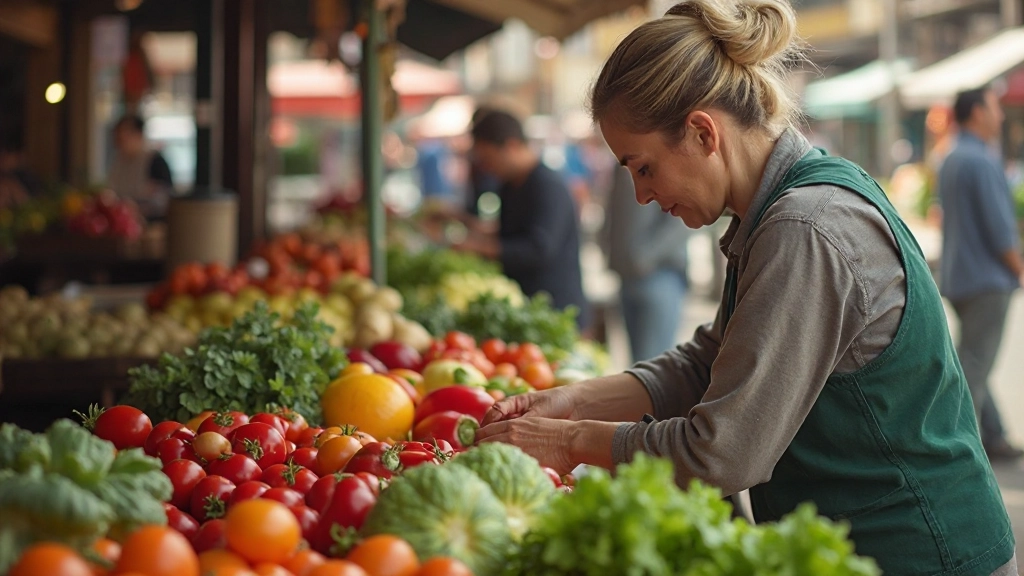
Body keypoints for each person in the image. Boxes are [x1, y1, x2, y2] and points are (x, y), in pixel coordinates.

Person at [475, 1, 1016, 574]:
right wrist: (572, 401)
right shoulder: (780, 208)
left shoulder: (804, 228)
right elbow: (711, 360)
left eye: (644, 167)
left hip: (923, 553)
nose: (640, 196)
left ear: (703, 132)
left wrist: (568, 441)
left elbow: (720, 452)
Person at [441, 110, 592, 332]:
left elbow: (538, 248)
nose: (487, 168)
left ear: (511, 146)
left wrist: (477, 247)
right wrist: (465, 223)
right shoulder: (509, 185)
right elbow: (509, 232)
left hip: (557, 312)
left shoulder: (547, 186)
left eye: (489, 159)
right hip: (527, 308)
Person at [937, 86, 1024, 461]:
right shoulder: (982, 160)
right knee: (973, 368)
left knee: (973, 360)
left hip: (959, 277)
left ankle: (995, 435)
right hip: (987, 281)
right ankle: (964, 451)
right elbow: (1000, 230)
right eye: (994, 108)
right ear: (976, 113)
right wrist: (1018, 268)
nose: (1000, 115)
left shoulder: (951, 156)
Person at [602, 164, 692, 362]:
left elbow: (683, 221)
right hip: (627, 277)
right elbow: (614, 210)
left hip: (660, 275)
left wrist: (642, 257)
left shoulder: (662, 153)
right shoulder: (623, 161)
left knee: (653, 366)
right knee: (638, 366)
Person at [107, 115, 174, 221]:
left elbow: (165, 199)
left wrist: (138, 208)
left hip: (149, 224)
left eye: (125, 136)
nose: (119, 142)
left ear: (139, 135)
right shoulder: (118, 161)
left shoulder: (155, 161)